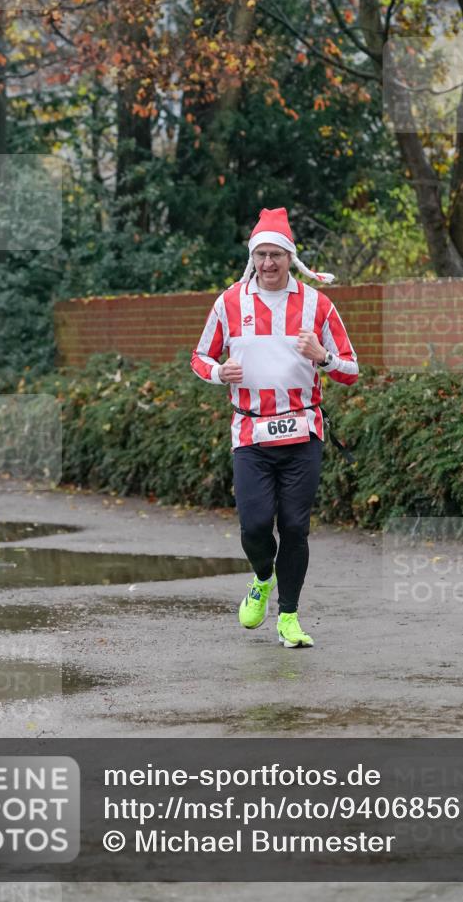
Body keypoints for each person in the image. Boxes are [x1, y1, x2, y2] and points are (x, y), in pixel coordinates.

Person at [191, 207, 358, 648]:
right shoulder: (229, 302)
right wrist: (217, 373)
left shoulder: (317, 304)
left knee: (295, 527)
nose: (268, 264)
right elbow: (199, 357)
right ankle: (262, 577)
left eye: (277, 255)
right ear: (253, 258)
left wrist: (322, 356)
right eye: (261, 255)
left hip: (304, 432)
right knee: (255, 525)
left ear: (291, 258)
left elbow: (351, 369)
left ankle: (289, 617)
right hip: (251, 435)